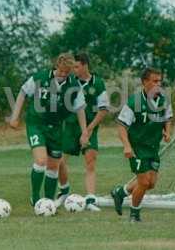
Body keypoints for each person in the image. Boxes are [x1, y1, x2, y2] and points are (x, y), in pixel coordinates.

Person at [10, 53, 89, 205]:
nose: (63, 75)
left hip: (56, 128)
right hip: (36, 124)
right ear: (56, 66)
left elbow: (80, 109)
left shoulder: (73, 85)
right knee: (41, 160)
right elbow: (23, 93)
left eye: (67, 73)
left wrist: (84, 132)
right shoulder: (40, 78)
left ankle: (48, 202)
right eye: (61, 71)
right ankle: (35, 198)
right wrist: (14, 116)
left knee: (54, 166)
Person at [111, 68, 173, 222]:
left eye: (160, 81)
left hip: (153, 147)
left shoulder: (164, 100)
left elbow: (167, 118)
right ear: (145, 82)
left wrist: (167, 131)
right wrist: (127, 146)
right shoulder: (135, 102)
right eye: (155, 81)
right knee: (144, 181)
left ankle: (121, 192)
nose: (158, 84)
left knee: (150, 183)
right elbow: (121, 126)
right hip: (137, 147)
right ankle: (134, 215)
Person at [57, 53, 109, 211]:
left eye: (76, 67)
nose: (73, 70)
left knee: (90, 160)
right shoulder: (68, 82)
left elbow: (104, 109)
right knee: (59, 160)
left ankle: (90, 199)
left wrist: (88, 129)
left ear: (85, 65)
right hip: (69, 126)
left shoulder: (98, 83)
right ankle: (64, 191)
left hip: (89, 127)